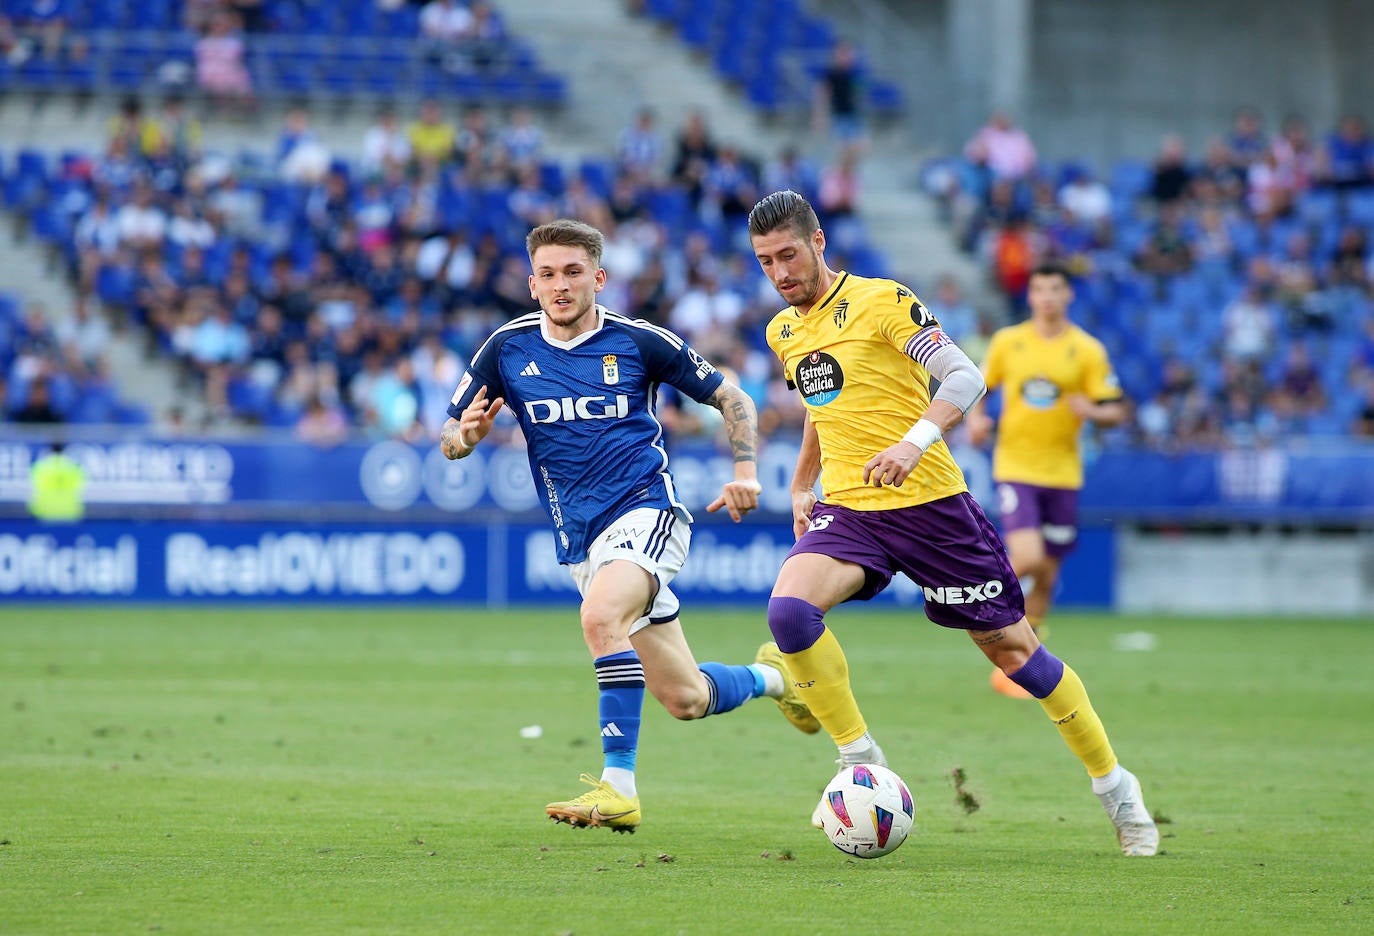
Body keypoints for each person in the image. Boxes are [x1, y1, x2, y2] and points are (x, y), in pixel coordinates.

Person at [746, 191, 1157, 857]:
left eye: (788, 254)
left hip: (933, 508)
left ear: (818, 243)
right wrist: (800, 485)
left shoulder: (883, 301)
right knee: (789, 615)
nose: (780, 272)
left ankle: (1116, 789)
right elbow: (825, 413)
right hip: (851, 509)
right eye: (766, 262)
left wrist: (913, 444)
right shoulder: (783, 331)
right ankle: (859, 761)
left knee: (1014, 652)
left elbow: (964, 378)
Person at [440, 219, 818, 833]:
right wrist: (468, 438)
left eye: (572, 272)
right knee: (686, 698)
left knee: (598, 619)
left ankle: (618, 788)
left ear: (599, 277)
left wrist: (746, 470)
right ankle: (781, 678)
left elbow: (735, 398)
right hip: (582, 541)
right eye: (547, 274)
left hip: (647, 512)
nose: (560, 285)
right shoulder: (506, 349)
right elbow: (449, 435)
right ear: (532, 284)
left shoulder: (638, 341)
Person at [966, 263, 1128, 698]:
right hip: (1016, 466)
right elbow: (977, 386)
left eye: (1055, 289)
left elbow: (1114, 408)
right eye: (1039, 289)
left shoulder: (1087, 350)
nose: (1047, 297)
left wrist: (1092, 411)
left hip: (1063, 472)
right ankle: (972, 594)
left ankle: (1018, 667)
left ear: (1067, 295)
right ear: (1031, 296)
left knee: (1048, 574)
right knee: (1029, 555)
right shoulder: (1009, 342)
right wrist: (978, 419)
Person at [29, 441, 86, 522]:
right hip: (70, 510)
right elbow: (80, 486)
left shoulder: (40, 466)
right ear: (64, 450)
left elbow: (33, 487)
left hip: (45, 510)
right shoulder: (74, 467)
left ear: (49, 450)